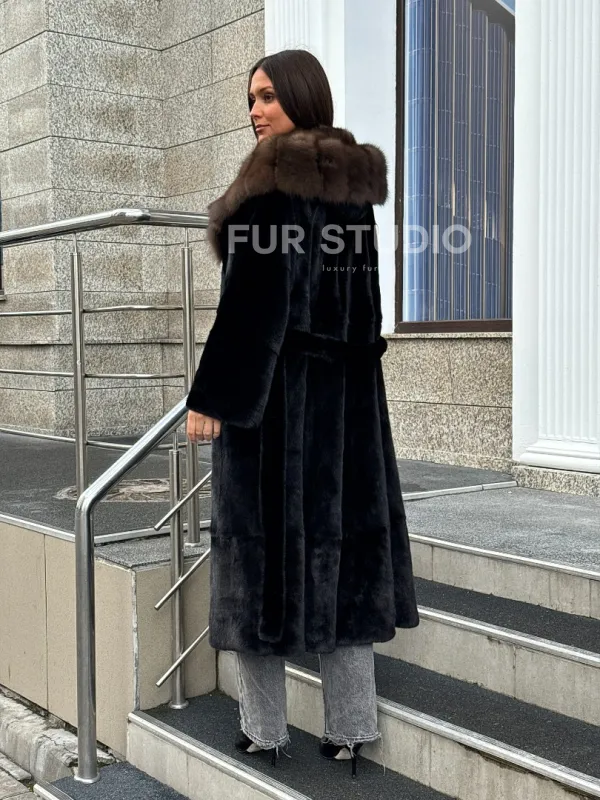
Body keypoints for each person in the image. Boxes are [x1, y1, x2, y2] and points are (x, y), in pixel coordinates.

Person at [185, 49, 420, 779]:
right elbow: (365, 311)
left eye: (267, 96)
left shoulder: (269, 183)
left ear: (300, 95)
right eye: (250, 99)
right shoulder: (349, 186)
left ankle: (263, 733)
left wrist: (212, 396)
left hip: (277, 410)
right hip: (346, 411)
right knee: (342, 561)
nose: (256, 111)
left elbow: (252, 307)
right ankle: (351, 729)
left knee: (257, 565)